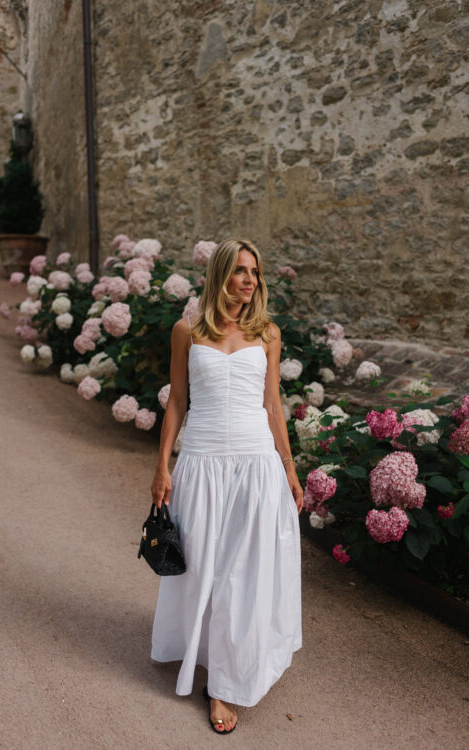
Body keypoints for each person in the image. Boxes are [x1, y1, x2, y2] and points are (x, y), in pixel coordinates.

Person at [150, 238, 303, 734]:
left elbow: (273, 406)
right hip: (202, 460)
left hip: (257, 462)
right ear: (219, 274)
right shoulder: (187, 331)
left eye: (254, 272)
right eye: (240, 271)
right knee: (205, 570)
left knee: (243, 571)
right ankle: (206, 655)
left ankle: (223, 683)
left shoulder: (268, 333)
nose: (249, 281)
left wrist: (290, 469)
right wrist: (162, 466)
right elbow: (176, 401)